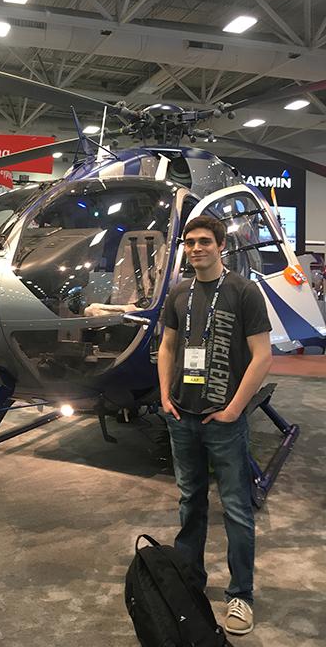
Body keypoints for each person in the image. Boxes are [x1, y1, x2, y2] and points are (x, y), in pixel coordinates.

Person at [158, 215, 272, 636]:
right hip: (182, 416)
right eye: (189, 242)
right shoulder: (179, 291)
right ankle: (189, 582)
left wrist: (234, 409)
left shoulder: (244, 292)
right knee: (190, 502)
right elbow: (168, 345)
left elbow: (262, 356)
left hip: (224, 421)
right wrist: (165, 396)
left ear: (221, 245)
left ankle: (241, 595)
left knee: (237, 508)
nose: (196, 248)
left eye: (204, 241)